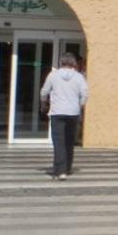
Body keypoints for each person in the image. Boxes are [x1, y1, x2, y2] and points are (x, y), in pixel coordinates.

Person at [41, 52, 90, 180]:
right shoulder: (79, 77)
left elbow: (44, 91)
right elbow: (85, 93)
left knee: (58, 142)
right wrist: (80, 105)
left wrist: (43, 103)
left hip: (57, 112)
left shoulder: (53, 75)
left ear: (61, 62)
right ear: (73, 63)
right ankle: (67, 168)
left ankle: (59, 171)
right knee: (69, 142)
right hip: (73, 113)